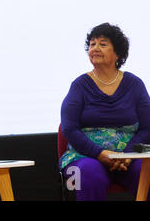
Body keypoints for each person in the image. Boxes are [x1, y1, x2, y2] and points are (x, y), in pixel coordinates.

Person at [60, 23, 150, 201]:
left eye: (102, 44)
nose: (95, 48)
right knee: (87, 175)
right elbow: (69, 129)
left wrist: (127, 155)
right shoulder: (79, 85)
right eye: (92, 44)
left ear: (118, 53)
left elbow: (148, 127)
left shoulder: (134, 84)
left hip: (128, 159)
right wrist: (100, 154)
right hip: (82, 157)